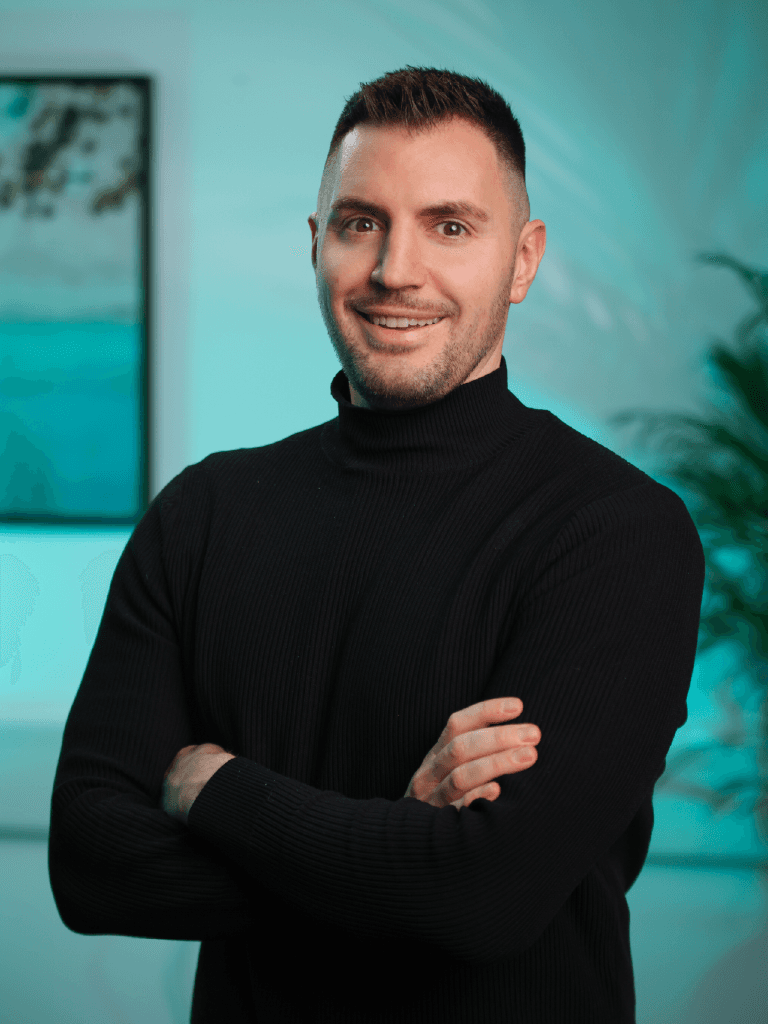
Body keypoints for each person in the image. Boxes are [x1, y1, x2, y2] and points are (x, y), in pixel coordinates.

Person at [49, 67, 705, 1023]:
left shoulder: (614, 531)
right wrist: (398, 843)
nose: (396, 270)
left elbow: (488, 897)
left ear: (523, 260)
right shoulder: (202, 513)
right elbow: (91, 867)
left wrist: (219, 789)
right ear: (317, 245)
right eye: (362, 223)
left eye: (450, 226)